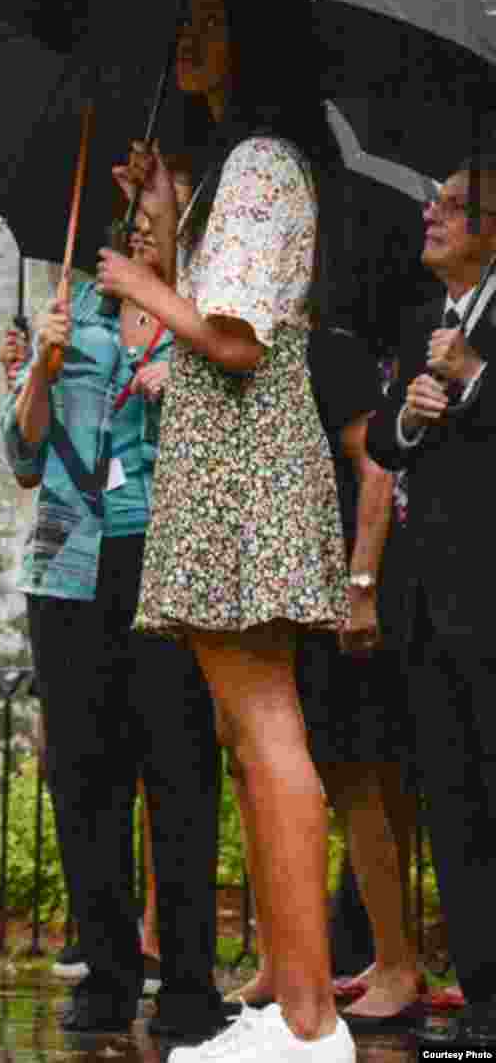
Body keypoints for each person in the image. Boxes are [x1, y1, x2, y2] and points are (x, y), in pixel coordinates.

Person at [97, 0, 353, 1062]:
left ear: (253, 43)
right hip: (228, 460)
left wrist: (144, 283)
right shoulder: (234, 170)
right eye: (183, 23)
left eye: (208, 24)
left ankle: (307, 1021)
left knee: (265, 728)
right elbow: (206, 304)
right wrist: (162, 227)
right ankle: (293, 1005)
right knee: (250, 736)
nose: (185, 40)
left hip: (245, 462)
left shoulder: (259, 163)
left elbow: (235, 336)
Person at [2, 215, 227, 1041]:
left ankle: (191, 984)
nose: (136, 231)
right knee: (83, 777)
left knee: (179, 769)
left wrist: (184, 379)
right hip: (68, 568)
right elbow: (22, 456)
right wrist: (41, 371)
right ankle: (106, 970)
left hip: (164, 557)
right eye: (124, 222)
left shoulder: (201, 316)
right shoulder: (73, 313)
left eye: (152, 218)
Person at [226, 327, 420, 1031]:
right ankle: (304, 956)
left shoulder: (327, 352)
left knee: (357, 776)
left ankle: (398, 960)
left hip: (334, 591)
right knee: (293, 773)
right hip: (282, 597)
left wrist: (360, 581)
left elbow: (375, 468)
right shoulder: (241, 358)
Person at [365, 154, 496, 1055]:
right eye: (434, 200)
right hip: (432, 602)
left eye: (454, 205)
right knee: (452, 800)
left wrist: (478, 373)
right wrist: (411, 414)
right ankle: (484, 999)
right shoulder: (420, 319)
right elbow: (381, 438)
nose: (432, 214)